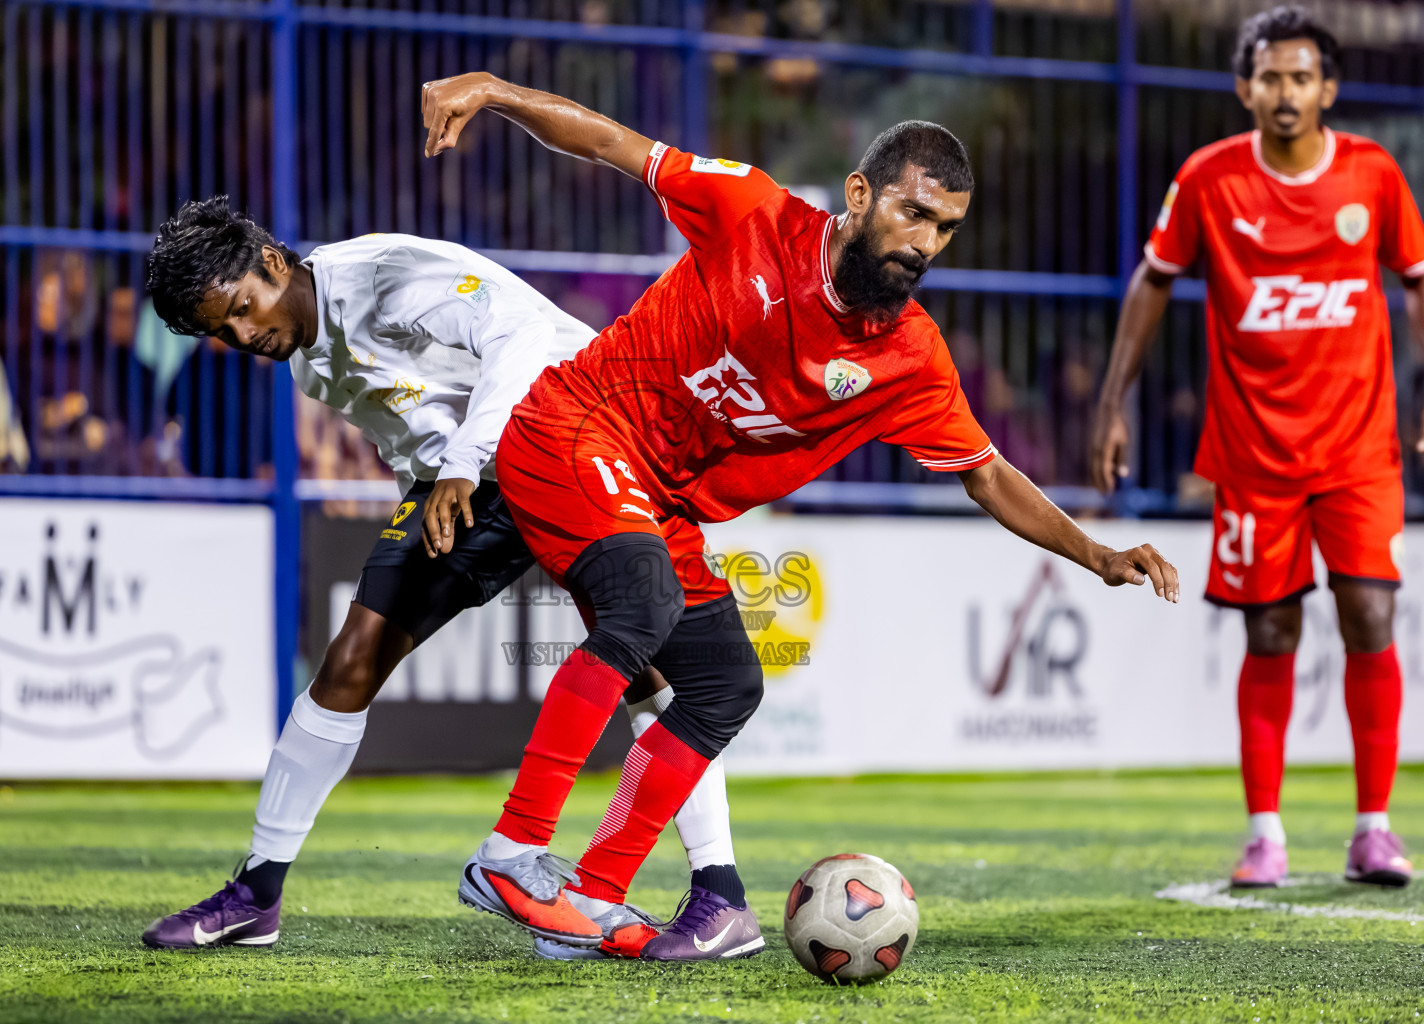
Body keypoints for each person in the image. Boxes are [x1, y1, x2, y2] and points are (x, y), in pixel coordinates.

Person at [420, 70, 1180, 959]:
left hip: (655, 499)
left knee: (724, 686)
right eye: (912, 213)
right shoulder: (751, 212)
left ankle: (592, 893)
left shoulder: (910, 357)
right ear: (860, 193)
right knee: (643, 603)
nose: (924, 242)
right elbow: (608, 142)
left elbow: (987, 474)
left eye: (944, 228)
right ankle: (512, 852)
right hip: (577, 427)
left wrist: (1096, 554)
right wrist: (495, 92)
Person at [137, 197, 752, 957]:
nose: (241, 335)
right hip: (473, 480)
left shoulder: (385, 277)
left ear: (270, 263)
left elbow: (520, 335)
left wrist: (460, 464)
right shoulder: (306, 358)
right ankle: (255, 894)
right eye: (219, 331)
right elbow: (418, 430)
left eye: (239, 309)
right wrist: (440, 481)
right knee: (352, 659)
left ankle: (717, 894)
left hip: (577, 433)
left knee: (654, 667)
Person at [1089, 6, 1424, 889]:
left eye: (1302, 77)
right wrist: (1112, 401)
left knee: (1372, 617)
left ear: (1328, 89)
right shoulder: (1209, 180)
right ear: (1245, 88)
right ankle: (1266, 833)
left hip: (1359, 449)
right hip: (1254, 455)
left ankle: (1374, 828)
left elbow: (1418, 280)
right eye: (1270, 77)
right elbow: (1152, 281)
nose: (1286, 92)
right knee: (1270, 631)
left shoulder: (1373, 175)